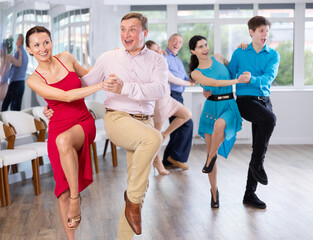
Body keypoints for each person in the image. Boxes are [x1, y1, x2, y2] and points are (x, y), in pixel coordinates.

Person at [78, 13, 168, 239]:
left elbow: (159, 90)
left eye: (132, 29)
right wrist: (55, 102)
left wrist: (124, 87)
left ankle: (128, 220)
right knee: (154, 138)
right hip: (117, 118)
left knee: (138, 187)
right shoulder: (109, 57)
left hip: (143, 120)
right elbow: (84, 84)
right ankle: (133, 201)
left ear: (145, 33)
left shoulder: (158, 60)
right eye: (123, 29)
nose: (126, 34)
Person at [25, 26, 106, 240]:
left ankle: (75, 198)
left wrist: (108, 65)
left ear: (52, 42)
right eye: (36, 45)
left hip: (82, 121)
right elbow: (66, 96)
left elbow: (89, 78)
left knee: (64, 142)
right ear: (29, 49)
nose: (42, 48)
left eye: (46, 42)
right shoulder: (33, 80)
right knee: (61, 190)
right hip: (58, 127)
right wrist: (100, 85)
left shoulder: (67, 58)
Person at [189, 35, 250, 208]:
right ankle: (214, 191)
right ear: (193, 51)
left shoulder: (218, 57)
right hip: (211, 108)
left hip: (229, 105)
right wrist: (236, 81)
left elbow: (234, 67)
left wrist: (243, 47)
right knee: (211, 149)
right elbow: (214, 83)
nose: (205, 49)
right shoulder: (196, 72)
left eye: (205, 44)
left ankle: (210, 158)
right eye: (200, 47)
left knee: (219, 126)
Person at [227, 16, 280, 209]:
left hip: (265, 101)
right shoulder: (240, 52)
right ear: (251, 32)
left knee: (259, 148)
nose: (265, 34)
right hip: (246, 101)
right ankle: (258, 164)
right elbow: (228, 74)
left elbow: (268, 78)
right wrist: (210, 86)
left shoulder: (273, 54)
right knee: (270, 120)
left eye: (267, 31)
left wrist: (251, 79)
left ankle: (249, 194)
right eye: (261, 31)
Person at [145, 40, 193, 175]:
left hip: (169, 99)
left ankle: (165, 134)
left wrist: (188, 83)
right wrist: (188, 84)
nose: (159, 51)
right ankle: (158, 163)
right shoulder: (149, 66)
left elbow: (172, 77)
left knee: (187, 114)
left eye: (159, 48)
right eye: (155, 50)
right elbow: (173, 80)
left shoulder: (162, 62)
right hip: (159, 103)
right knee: (155, 139)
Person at [162, 33, 193, 170]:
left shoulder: (178, 61)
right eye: (174, 40)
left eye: (180, 42)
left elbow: (185, 77)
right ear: (169, 41)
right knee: (187, 123)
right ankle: (176, 158)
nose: (176, 43)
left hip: (179, 95)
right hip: (170, 95)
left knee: (178, 127)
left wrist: (192, 80)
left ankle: (168, 160)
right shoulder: (163, 56)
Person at [1, 34, 28, 111]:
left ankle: (2, 122)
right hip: (22, 84)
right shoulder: (25, 55)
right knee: (16, 108)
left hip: (15, 84)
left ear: (20, 41)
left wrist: (3, 80)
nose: (16, 42)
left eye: (17, 40)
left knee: (5, 105)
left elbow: (12, 70)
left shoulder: (17, 54)